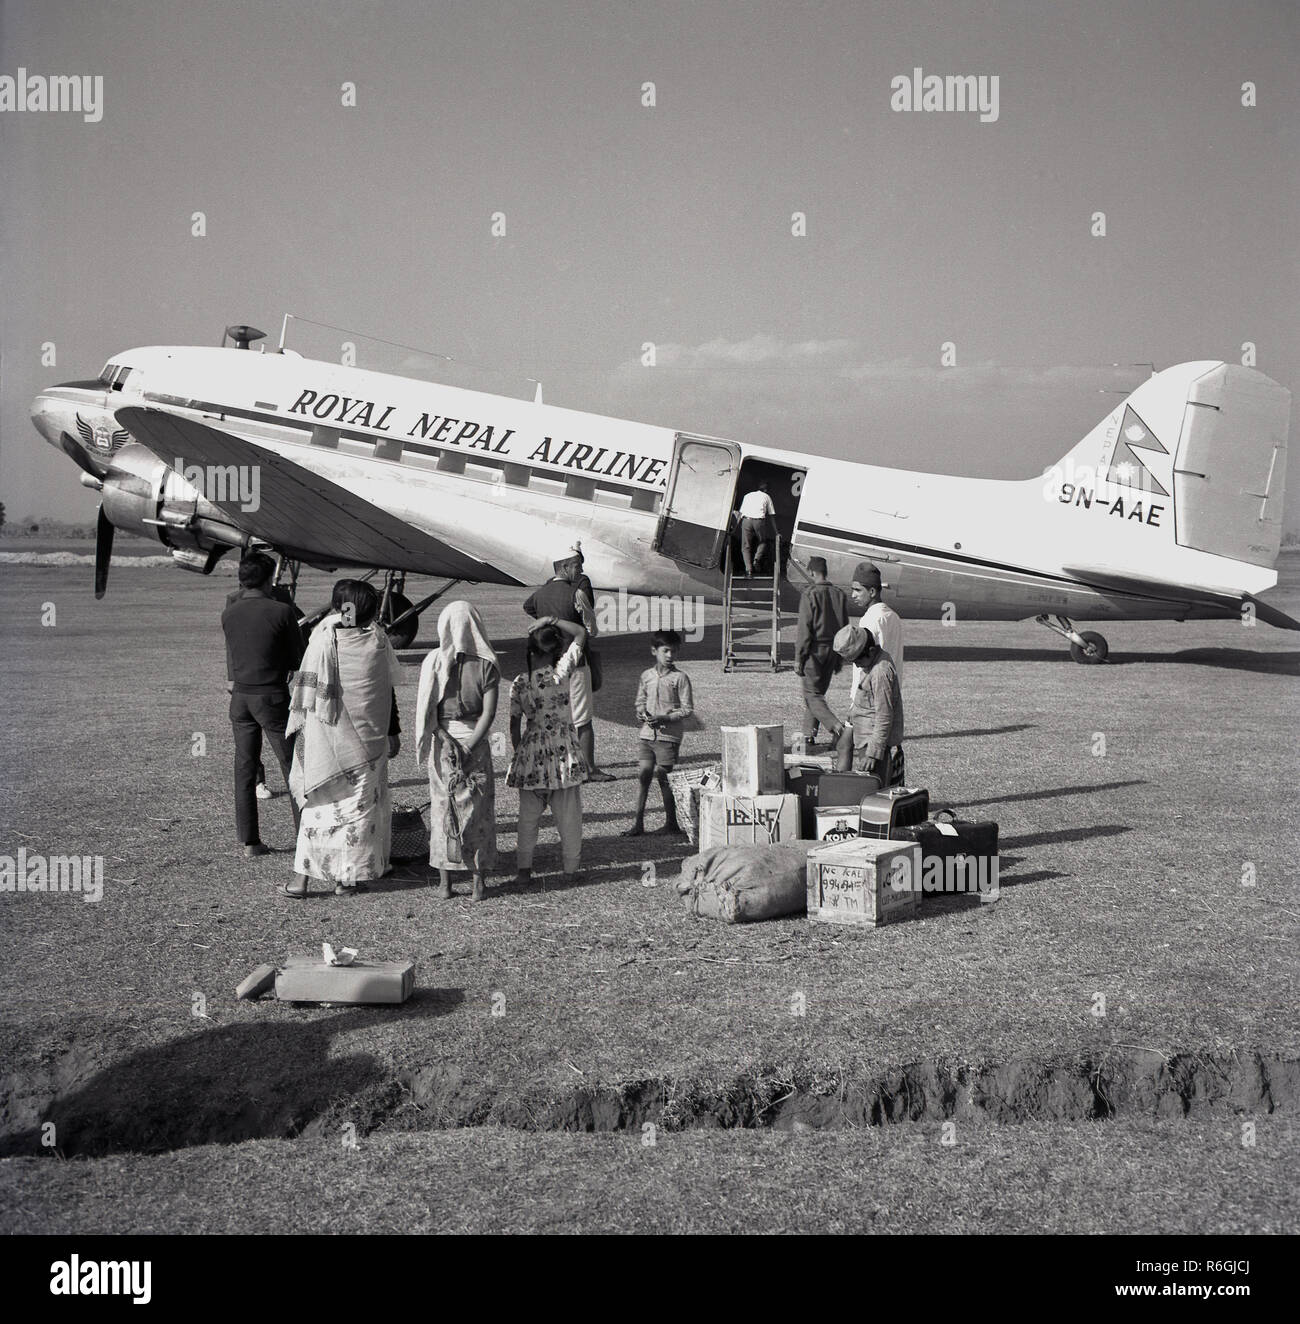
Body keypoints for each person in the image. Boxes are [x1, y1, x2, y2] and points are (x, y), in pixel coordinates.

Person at [283, 579, 402, 897]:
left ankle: (301, 880)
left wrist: (332, 618)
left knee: (318, 809)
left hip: (326, 741)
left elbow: (306, 692)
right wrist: (394, 732)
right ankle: (345, 880)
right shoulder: (378, 642)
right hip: (369, 743)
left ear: (339, 607)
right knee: (356, 815)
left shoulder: (322, 641)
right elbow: (387, 690)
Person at [221, 552, 305, 857]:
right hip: (271, 696)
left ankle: (249, 841)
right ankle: (304, 835)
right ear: (269, 579)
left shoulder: (229, 612)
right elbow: (297, 658)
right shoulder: (281, 611)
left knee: (244, 767)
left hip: (240, 699)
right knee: (292, 766)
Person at [415, 601, 500, 902]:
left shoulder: (436, 662)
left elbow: (430, 713)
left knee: (443, 810)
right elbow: (488, 715)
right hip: (475, 744)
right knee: (478, 813)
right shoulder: (488, 664)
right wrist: (468, 745)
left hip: (444, 747)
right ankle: (479, 883)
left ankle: (445, 884)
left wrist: (447, 740)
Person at [522, 541, 614, 781]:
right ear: (565, 566)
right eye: (577, 566)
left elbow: (528, 606)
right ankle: (589, 770)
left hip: (547, 665)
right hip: (575, 663)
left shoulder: (539, 594)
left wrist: (544, 619)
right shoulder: (577, 593)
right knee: (582, 719)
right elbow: (591, 629)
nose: (580, 571)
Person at [507, 620, 588, 885]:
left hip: (531, 754)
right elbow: (580, 633)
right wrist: (550, 620)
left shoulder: (520, 683)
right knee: (569, 818)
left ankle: (524, 871)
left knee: (527, 819)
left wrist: (520, 754)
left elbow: (514, 726)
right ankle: (570, 871)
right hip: (564, 753)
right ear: (554, 650)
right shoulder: (560, 674)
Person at [225, 574, 299, 800]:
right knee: (285, 759)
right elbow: (233, 642)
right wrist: (232, 675)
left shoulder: (281, 599)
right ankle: (259, 781)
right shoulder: (232, 600)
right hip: (262, 690)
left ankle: (248, 835)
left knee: (252, 759)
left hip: (254, 688)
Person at [627, 629, 694, 836]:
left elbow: (687, 709)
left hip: (668, 737)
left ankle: (671, 823)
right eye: (666, 651)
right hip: (647, 735)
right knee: (643, 777)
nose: (670, 656)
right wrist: (640, 713)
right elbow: (640, 701)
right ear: (654, 650)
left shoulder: (680, 678)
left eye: (674, 651)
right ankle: (638, 823)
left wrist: (664, 717)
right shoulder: (646, 676)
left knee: (664, 779)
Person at [833, 624, 905, 788]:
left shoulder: (880, 672)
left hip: (872, 741)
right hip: (863, 733)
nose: (857, 666)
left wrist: (873, 754)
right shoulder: (872, 662)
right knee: (843, 747)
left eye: (858, 661)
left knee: (873, 788)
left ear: (871, 650)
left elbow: (884, 715)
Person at [795, 556, 850, 748]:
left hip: (814, 651)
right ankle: (807, 736)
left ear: (811, 572)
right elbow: (845, 627)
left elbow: (804, 629)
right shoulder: (839, 594)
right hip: (833, 650)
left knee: (812, 695)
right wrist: (840, 658)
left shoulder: (810, 594)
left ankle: (838, 729)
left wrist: (799, 657)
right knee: (817, 694)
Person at [849, 561, 904, 681]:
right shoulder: (893, 616)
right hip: (893, 689)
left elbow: (864, 664)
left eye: (858, 590)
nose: (853, 595)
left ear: (872, 592)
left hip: (872, 692)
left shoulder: (870, 619)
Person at [736, 481, 777, 576]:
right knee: (762, 542)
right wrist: (776, 532)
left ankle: (748, 570)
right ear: (766, 490)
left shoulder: (748, 495)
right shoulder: (767, 497)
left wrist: (734, 529)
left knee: (745, 546)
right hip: (759, 521)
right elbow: (771, 515)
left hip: (746, 520)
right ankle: (756, 559)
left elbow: (740, 513)